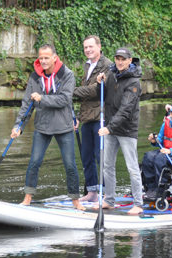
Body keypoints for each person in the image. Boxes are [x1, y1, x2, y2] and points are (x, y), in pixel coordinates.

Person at [11, 44, 85, 210]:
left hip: (63, 126)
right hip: (42, 126)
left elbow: (64, 100)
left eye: (46, 58)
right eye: (41, 58)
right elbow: (27, 103)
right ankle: (27, 198)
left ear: (54, 58)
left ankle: (75, 200)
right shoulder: (34, 77)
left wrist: (42, 98)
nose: (43, 61)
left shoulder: (67, 74)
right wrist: (19, 126)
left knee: (70, 165)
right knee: (34, 162)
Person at [95, 47, 143, 215]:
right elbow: (100, 94)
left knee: (132, 167)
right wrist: (100, 82)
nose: (120, 62)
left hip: (127, 129)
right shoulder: (111, 75)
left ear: (130, 60)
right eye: (117, 58)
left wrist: (109, 128)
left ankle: (138, 203)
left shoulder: (134, 82)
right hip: (110, 128)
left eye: (123, 59)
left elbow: (126, 110)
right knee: (107, 165)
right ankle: (109, 199)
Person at [73, 35, 112, 202]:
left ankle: (105, 192)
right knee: (86, 155)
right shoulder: (87, 66)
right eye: (85, 48)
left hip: (101, 117)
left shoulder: (107, 65)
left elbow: (95, 90)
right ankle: (92, 192)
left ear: (99, 46)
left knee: (100, 155)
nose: (88, 50)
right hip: (87, 117)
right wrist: (78, 118)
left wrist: (71, 91)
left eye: (90, 47)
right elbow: (86, 95)